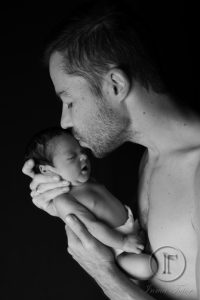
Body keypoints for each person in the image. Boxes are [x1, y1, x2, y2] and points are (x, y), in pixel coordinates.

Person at [22, 2, 200, 300]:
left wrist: (103, 272)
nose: (64, 121)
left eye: (70, 101)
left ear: (115, 85)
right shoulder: (151, 159)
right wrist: (63, 203)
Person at [25, 126, 157, 280]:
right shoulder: (64, 200)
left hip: (133, 229)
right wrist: (123, 242)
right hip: (119, 249)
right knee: (148, 267)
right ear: (47, 170)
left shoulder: (88, 182)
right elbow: (92, 226)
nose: (83, 157)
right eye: (71, 157)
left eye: (82, 151)